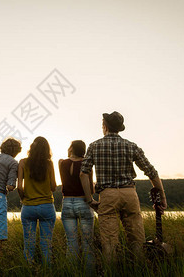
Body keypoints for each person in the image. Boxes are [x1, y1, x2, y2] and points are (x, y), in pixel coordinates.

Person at [80, 111, 167, 262]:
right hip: (129, 195)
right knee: (137, 241)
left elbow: (83, 174)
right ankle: (138, 270)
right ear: (119, 128)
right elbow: (151, 172)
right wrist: (163, 198)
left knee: (109, 244)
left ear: (104, 126)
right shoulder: (131, 146)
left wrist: (90, 200)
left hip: (107, 196)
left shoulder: (94, 146)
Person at [59, 140, 99, 268]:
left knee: (71, 242)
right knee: (88, 243)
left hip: (67, 203)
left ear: (71, 148)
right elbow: (91, 190)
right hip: (83, 202)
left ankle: (72, 272)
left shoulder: (61, 163)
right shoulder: (86, 164)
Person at [17, 136, 57, 265]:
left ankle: (29, 270)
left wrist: (24, 198)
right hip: (46, 206)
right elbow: (53, 186)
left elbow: (19, 187)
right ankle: (47, 271)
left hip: (28, 207)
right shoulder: (49, 163)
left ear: (31, 148)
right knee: (46, 244)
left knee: (28, 244)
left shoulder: (22, 162)